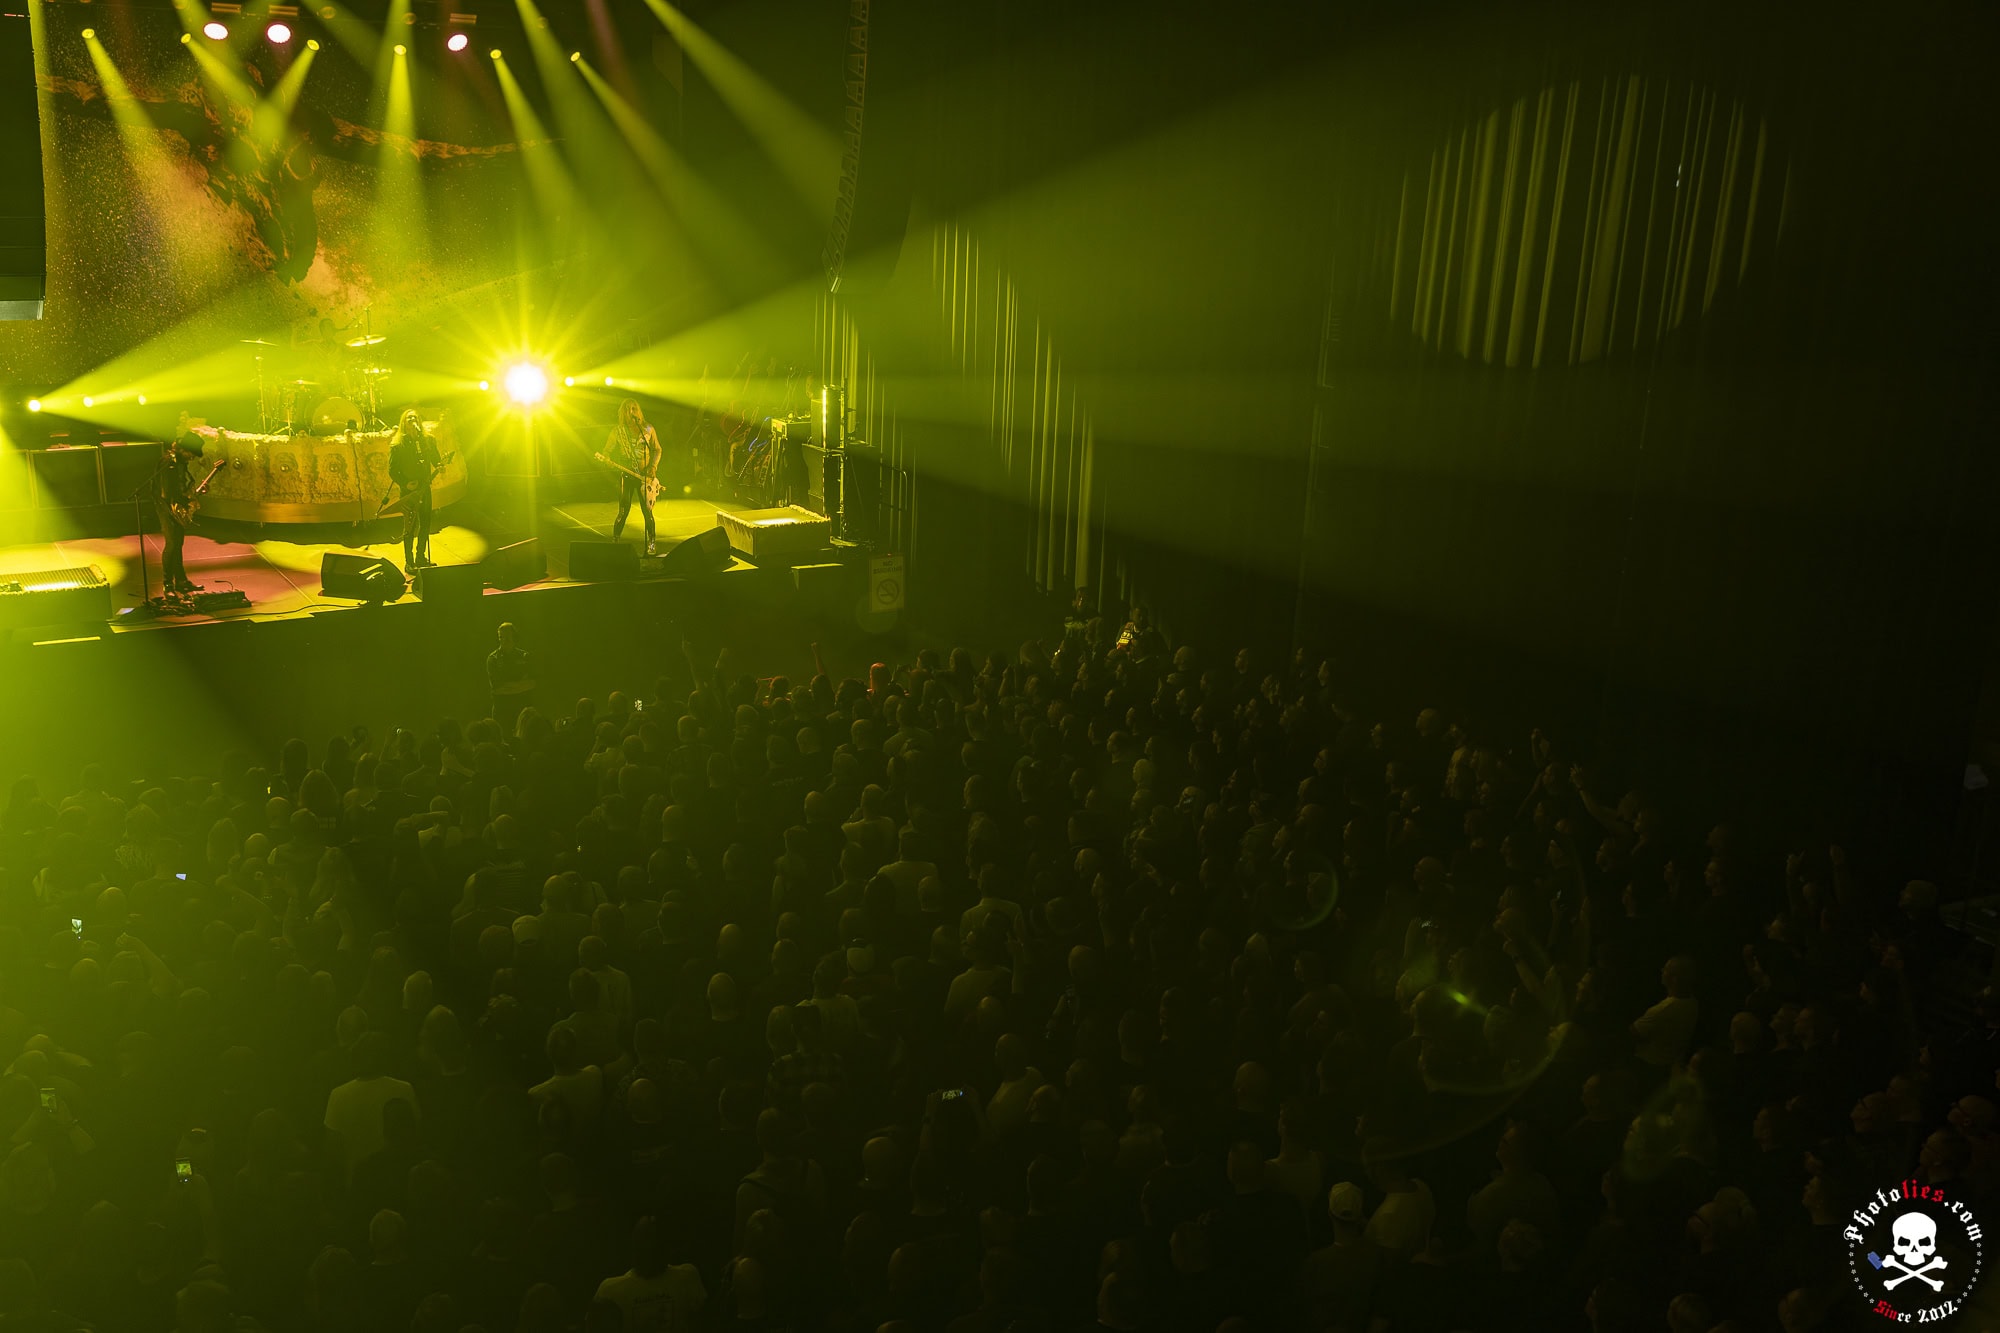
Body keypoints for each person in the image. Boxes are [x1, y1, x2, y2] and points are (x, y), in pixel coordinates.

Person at [157, 417, 208, 595]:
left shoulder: (180, 463)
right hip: (167, 507)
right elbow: (167, 492)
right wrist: (182, 503)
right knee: (172, 544)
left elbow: (180, 487)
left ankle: (180, 581)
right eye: (191, 453)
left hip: (175, 505)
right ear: (183, 449)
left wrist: (192, 495)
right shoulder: (168, 463)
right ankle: (167, 584)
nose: (192, 457)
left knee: (177, 544)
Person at [386, 408, 442, 570]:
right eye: (409, 418)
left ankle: (421, 557)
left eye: (415, 418)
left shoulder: (427, 441)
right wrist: (405, 483)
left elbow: (436, 459)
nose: (412, 421)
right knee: (410, 526)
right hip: (409, 491)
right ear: (403, 423)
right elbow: (392, 470)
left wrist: (440, 465)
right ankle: (409, 562)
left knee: (425, 524)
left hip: (425, 488)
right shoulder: (398, 445)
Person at [605, 399, 661, 553]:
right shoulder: (618, 431)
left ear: (638, 411)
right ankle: (615, 540)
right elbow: (606, 451)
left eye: (633, 409)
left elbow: (657, 449)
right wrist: (607, 459)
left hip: (644, 477)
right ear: (623, 413)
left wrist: (653, 467)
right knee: (623, 510)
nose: (631, 412)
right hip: (627, 475)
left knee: (647, 512)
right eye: (627, 409)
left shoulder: (648, 429)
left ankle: (651, 542)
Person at [487, 622, 536, 730]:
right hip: (502, 711)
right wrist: (520, 685)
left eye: (507, 636)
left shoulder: (524, 656)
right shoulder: (493, 659)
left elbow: (532, 683)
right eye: (501, 637)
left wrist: (508, 686)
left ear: (514, 636)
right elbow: (497, 688)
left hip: (522, 711)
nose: (504, 640)